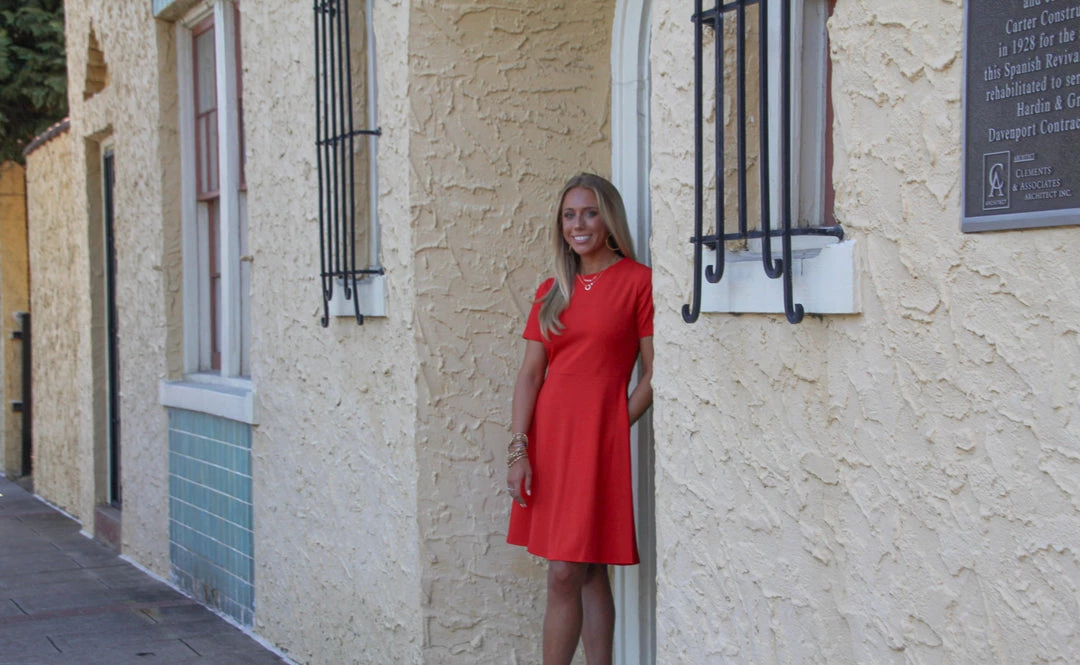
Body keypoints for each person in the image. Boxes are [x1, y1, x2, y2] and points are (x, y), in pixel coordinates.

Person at [505, 173, 654, 665]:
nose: (578, 224)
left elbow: (655, 374)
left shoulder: (638, 282)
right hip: (550, 442)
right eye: (569, 215)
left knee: (569, 571)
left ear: (608, 219)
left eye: (589, 213)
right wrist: (519, 449)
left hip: (597, 443)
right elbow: (530, 375)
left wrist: (614, 426)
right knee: (582, 571)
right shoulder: (552, 290)